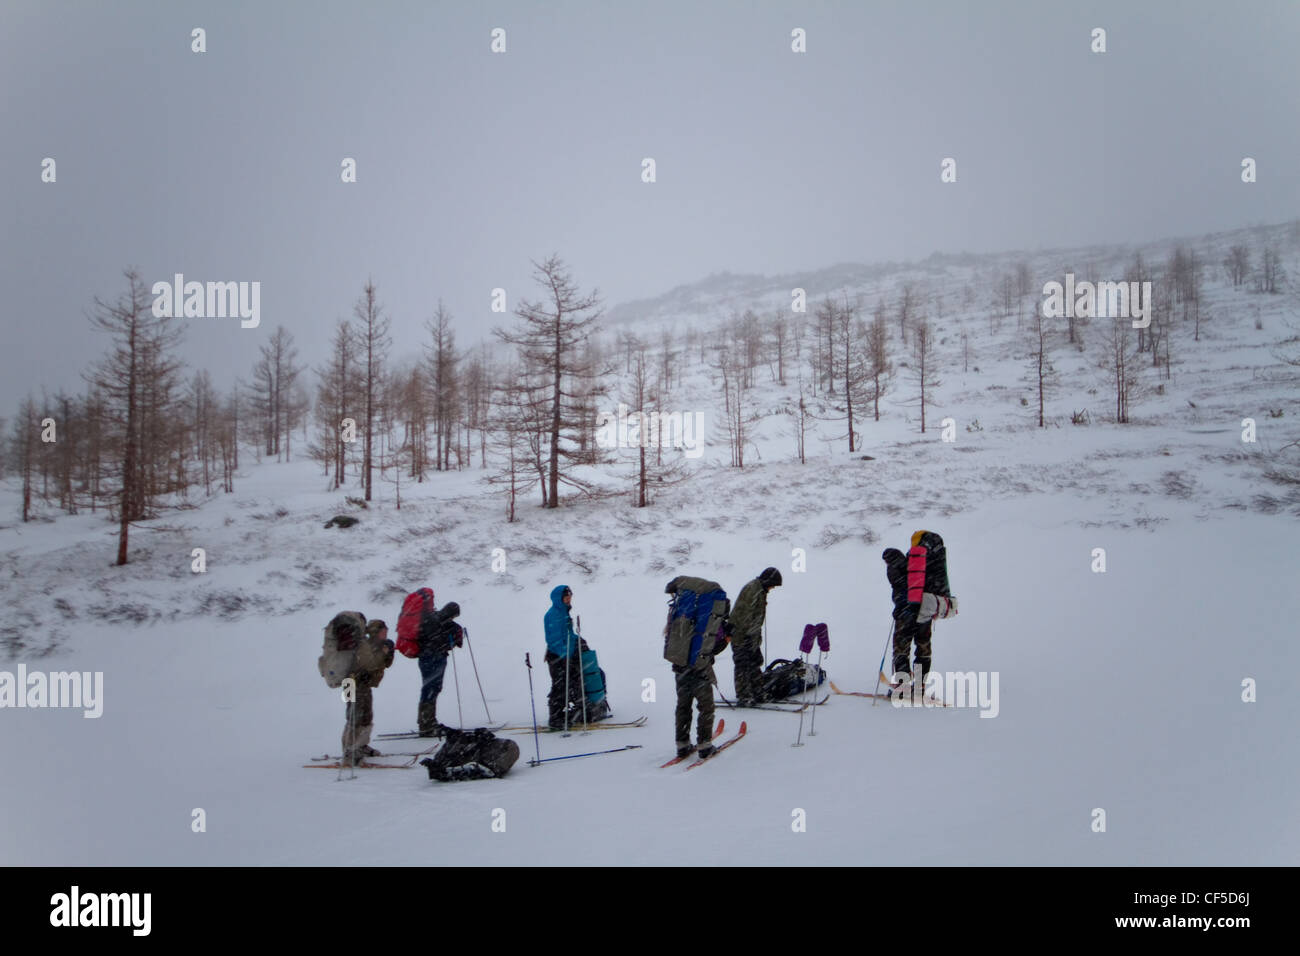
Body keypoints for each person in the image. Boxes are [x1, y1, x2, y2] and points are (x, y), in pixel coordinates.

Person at [663, 576, 731, 759]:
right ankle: (704, 745)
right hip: (699, 668)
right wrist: (726, 639)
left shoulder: (685, 613)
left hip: (680, 665)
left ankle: (682, 744)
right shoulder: (712, 621)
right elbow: (712, 647)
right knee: (706, 707)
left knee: (683, 705)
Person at [886, 530, 954, 689]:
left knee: (901, 646)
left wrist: (900, 609)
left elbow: (901, 587)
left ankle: (902, 686)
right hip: (927, 606)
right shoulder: (934, 556)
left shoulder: (908, 560)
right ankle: (920, 684)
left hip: (908, 609)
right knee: (923, 645)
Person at [342, 618, 396, 765]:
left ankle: (360, 745)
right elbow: (371, 664)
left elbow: (385, 664)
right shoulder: (363, 644)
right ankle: (350, 751)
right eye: (384, 631)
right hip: (352, 683)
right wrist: (384, 651)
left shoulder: (374, 644)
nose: (386, 634)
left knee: (366, 716)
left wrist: (389, 652)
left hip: (362, 685)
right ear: (376, 632)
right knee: (355, 716)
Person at [729, 567, 782, 706]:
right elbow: (743, 616)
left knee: (755, 663)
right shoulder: (752, 590)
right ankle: (744, 696)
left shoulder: (760, 590)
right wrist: (745, 637)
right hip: (741, 635)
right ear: (767, 580)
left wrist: (755, 639)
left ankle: (758, 692)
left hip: (750, 636)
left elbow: (755, 618)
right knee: (743, 665)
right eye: (773, 584)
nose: (772, 588)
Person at [543, 584, 588, 730]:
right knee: (560, 686)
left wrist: (579, 642)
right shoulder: (552, 615)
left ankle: (573, 711)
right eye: (566, 597)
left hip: (567, 654)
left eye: (570, 597)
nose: (569, 599)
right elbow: (553, 639)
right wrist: (564, 654)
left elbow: (568, 634)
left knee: (574, 682)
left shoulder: (564, 612)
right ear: (559, 598)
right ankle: (555, 718)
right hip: (557, 656)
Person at [417, 602, 463, 737]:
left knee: (428, 688)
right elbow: (447, 641)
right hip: (435, 658)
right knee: (432, 688)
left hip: (425, 658)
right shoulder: (445, 623)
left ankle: (426, 722)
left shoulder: (431, 619)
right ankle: (427, 724)